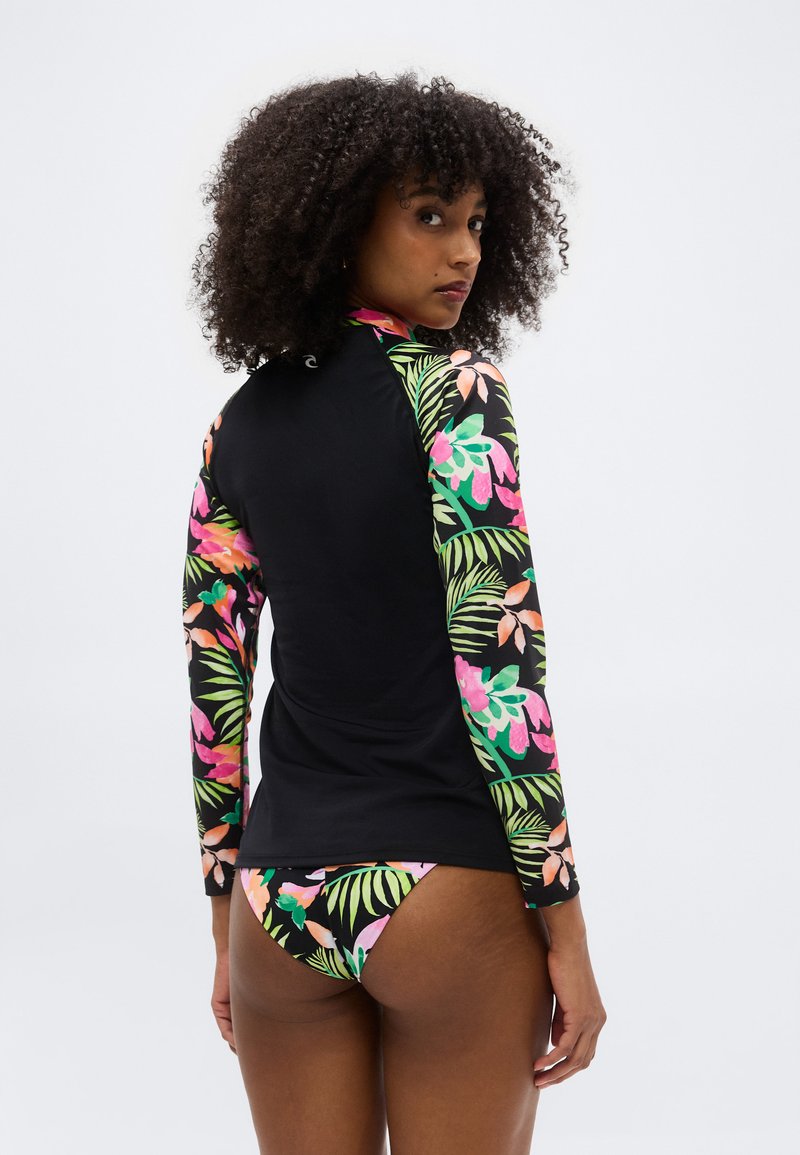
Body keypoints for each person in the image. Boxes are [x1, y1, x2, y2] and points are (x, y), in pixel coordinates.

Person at [182, 69, 606, 1155]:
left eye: (477, 222)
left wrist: (225, 916)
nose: (464, 252)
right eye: (428, 217)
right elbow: (499, 668)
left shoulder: (237, 425)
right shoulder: (454, 390)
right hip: (443, 890)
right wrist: (564, 924)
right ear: (336, 225)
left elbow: (214, 684)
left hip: (277, 900)